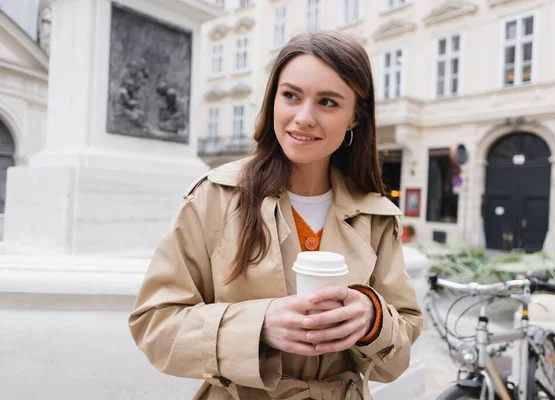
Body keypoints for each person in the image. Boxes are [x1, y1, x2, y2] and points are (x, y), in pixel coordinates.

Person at [129, 31, 422, 400]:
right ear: (272, 101)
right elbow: (154, 326)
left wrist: (373, 320)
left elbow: (399, 350)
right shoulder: (215, 197)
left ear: (354, 118)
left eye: (328, 102)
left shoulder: (375, 216)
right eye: (291, 96)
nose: (304, 117)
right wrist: (259, 326)